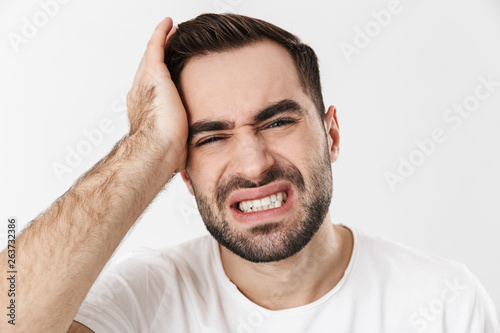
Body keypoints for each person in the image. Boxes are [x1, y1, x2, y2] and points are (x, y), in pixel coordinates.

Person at [0, 13, 498, 333]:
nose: (255, 164)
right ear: (184, 173)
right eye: (212, 137)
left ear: (332, 135)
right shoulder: (142, 303)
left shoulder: (445, 303)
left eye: (278, 121)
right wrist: (145, 148)